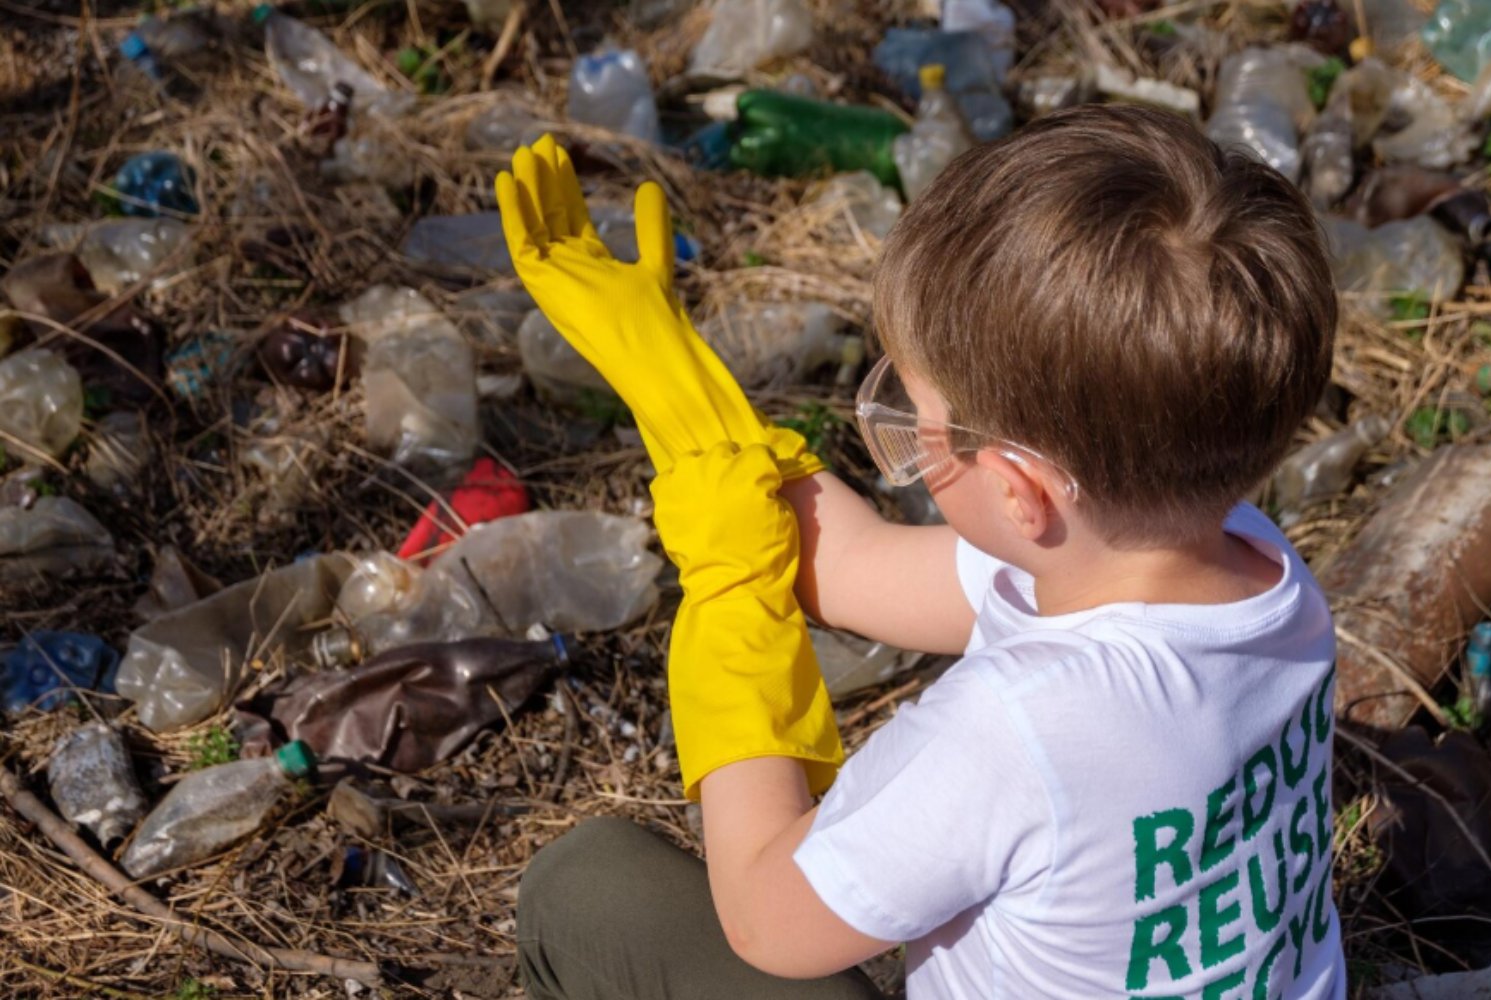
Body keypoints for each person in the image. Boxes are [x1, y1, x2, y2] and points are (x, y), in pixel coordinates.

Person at [494, 103, 1345, 999]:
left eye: (917, 422)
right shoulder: (1247, 568)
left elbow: (766, 920)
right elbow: (852, 567)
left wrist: (730, 601)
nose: (905, 441)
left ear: (1021, 493)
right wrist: (672, 374)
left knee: (585, 888)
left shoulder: (1013, 732)